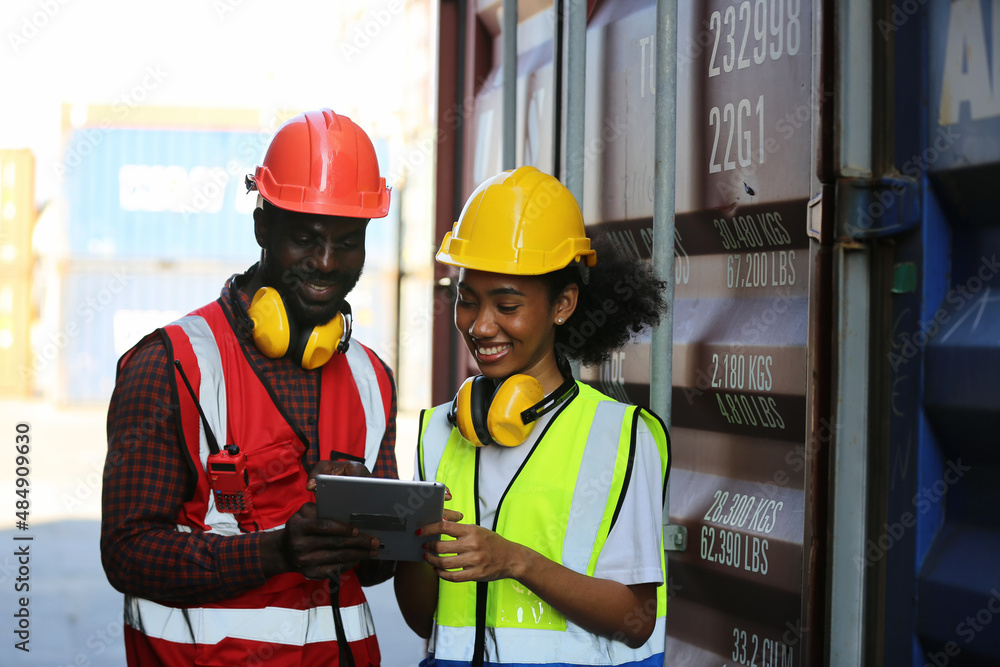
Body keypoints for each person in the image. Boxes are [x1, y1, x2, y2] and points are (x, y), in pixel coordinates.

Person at [101, 109, 398, 667]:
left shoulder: (372, 380)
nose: (326, 263)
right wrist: (275, 552)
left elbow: (377, 570)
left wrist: (377, 527)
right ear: (263, 227)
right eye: (305, 239)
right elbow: (127, 553)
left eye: (347, 242)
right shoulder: (170, 365)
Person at [394, 166, 671, 666]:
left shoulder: (620, 435)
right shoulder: (438, 431)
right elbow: (421, 620)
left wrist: (515, 561)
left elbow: (636, 620)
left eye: (507, 305)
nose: (481, 326)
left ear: (563, 304)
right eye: (467, 301)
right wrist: (414, 549)